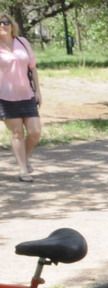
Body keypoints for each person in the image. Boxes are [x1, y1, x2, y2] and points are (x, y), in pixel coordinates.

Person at [0, 14, 41, 183]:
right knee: (17, 133)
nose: (3, 25)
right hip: (5, 96)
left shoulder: (23, 42)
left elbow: (33, 68)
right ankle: (23, 169)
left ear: (12, 24)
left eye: (6, 22)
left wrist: (38, 90)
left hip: (27, 94)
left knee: (35, 132)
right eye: (0, 23)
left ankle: (24, 159)